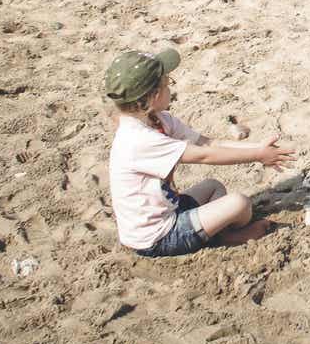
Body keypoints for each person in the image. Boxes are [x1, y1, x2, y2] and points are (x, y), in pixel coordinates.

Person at [106, 47, 296, 257]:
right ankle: (225, 237)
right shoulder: (138, 139)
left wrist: (259, 148)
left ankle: (219, 233)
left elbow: (208, 144)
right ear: (153, 96)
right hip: (157, 237)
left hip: (170, 209)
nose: (171, 89)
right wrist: (257, 156)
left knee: (214, 187)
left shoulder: (159, 119)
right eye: (168, 83)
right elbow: (204, 156)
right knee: (240, 204)